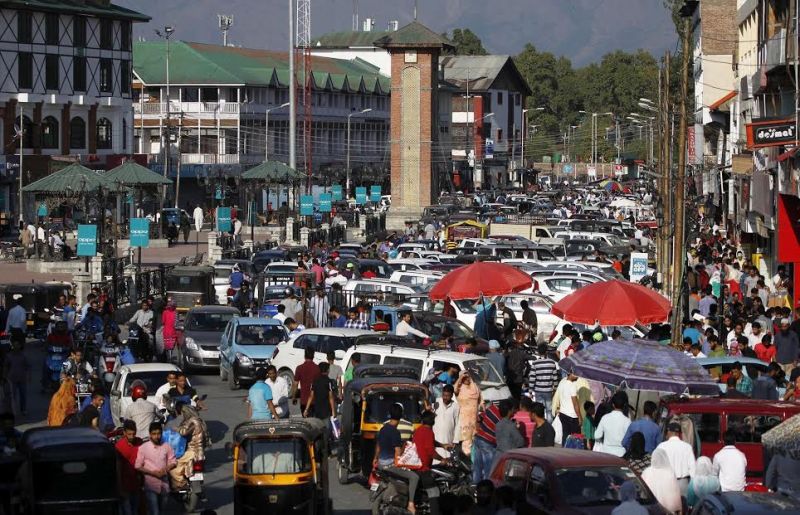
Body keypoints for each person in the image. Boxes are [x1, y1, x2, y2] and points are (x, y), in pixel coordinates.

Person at [374, 404, 416, 514]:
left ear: (390, 414)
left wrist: (375, 458)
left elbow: (378, 446)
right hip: (390, 464)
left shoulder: (383, 429)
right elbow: (398, 453)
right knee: (414, 477)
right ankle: (411, 504)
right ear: (401, 416)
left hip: (380, 463)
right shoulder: (395, 432)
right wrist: (405, 448)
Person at [136, 422, 177, 515]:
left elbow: (173, 461)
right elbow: (138, 466)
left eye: (158, 433)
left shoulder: (167, 446)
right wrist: (152, 473)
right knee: (155, 512)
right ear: (150, 434)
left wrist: (166, 469)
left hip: (164, 484)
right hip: (150, 484)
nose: (156, 436)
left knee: (162, 510)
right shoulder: (143, 448)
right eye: (154, 434)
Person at [169, 403, 208, 490]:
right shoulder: (200, 421)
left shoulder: (193, 421)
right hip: (200, 450)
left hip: (193, 451)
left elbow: (184, 432)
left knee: (174, 464)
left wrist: (176, 429)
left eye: (183, 413)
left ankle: (181, 482)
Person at [654, 422, 696, 496]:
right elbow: (693, 469)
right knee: (683, 506)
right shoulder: (687, 447)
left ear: (669, 432)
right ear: (679, 433)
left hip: (666, 482)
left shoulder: (661, 446)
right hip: (682, 483)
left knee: (666, 506)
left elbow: (656, 466)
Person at [641, 448, 683, 514]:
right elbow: (674, 495)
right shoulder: (670, 473)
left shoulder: (646, 472)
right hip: (665, 510)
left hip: (649, 508)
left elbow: (642, 492)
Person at [525, 344, 559, 421]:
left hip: (538, 390)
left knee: (539, 411)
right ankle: (549, 426)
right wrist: (556, 388)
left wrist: (530, 390)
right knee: (549, 410)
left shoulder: (535, 363)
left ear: (538, 352)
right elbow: (555, 377)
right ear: (546, 351)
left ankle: (541, 426)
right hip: (548, 391)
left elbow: (532, 378)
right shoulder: (552, 363)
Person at [116, 420, 142, 515]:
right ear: (124, 433)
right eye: (129, 434)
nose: (132, 437)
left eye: (133, 434)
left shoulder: (139, 442)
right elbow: (118, 468)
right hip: (125, 484)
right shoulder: (119, 446)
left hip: (136, 483)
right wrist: (120, 487)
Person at [472, 401, 501, 484]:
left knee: (477, 466)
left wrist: (479, 429)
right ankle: (486, 488)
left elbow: (479, 417)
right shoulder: (502, 417)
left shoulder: (491, 408)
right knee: (488, 468)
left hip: (478, 438)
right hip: (488, 442)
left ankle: (475, 486)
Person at [594, 392, 631, 457]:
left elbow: (597, 435)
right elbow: (629, 440)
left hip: (606, 453)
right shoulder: (627, 421)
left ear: (613, 405)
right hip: (621, 454)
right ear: (624, 405)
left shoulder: (605, 417)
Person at [454, 370, 481, 455]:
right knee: (466, 439)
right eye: (465, 377)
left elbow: (481, 400)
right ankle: (466, 457)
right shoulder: (459, 388)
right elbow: (454, 390)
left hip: (474, 418)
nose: (467, 379)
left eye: (468, 377)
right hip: (464, 419)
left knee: (474, 439)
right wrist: (461, 377)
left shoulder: (475, 386)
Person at [3, 340, 29, 415]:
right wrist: (4, 377)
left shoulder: (23, 356)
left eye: (17, 345)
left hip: (22, 379)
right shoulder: (9, 356)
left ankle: (23, 410)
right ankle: (12, 411)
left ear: (20, 346)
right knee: (12, 396)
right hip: (12, 379)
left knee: (23, 395)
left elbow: (27, 366)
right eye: (14, 345)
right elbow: (6, 367)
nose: (16, 347)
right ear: (12, 347)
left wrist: (28, 376)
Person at [556, 373, 582, 446]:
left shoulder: (562, 383)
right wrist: (579, 417)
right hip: (572, 415)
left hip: (563, 413)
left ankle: (565, 452)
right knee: (576, 437)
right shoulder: (572, 385)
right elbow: (575, 403)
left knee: (565, 435)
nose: (578, 376)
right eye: (576, 374)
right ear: (571, 374)